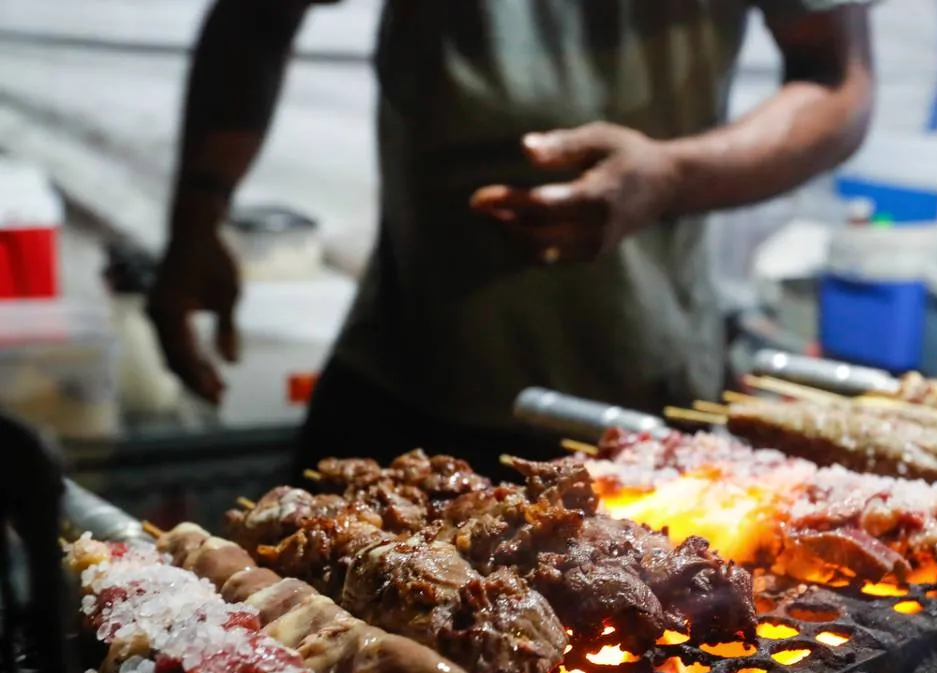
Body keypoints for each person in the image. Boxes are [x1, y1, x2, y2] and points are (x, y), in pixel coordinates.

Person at [148, 0, 875, 479]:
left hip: (638, 389)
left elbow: (837, 81)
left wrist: (674, 178)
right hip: (407, 377)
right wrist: (195, 220)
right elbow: (255, 16)